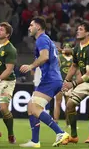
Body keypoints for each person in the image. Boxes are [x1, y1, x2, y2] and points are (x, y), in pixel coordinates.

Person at [19, 16, 69, 147]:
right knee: (31, 107)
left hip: (50, 80)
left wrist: (31, 66)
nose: (29, 28)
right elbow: (57, 60)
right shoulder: (49, 40)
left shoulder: (41, 39)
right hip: (53, 79)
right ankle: (35, 141)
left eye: (31, 25)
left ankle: (60, 133)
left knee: (35, 108)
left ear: (38, 27)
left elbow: (45, 57)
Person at [53, 43, 73, 125]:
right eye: (65, 47)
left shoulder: (74, 58)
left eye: (69, 47)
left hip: (69, 83)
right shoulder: (59, 57)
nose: (67, 48)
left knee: (68, 104)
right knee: (58, 102)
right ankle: (55, 121)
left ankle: (68, 122)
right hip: (60, 82)